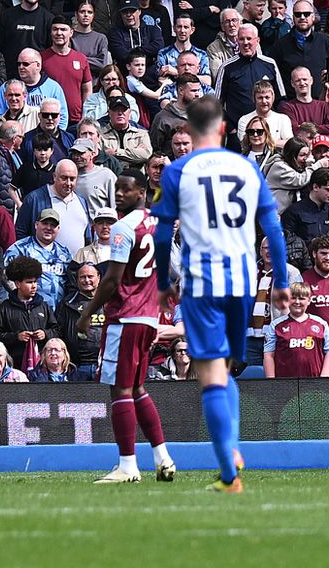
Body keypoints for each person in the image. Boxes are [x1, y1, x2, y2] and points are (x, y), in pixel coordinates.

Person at [157, 93, 288, 493]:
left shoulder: (177, 171)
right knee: (227, 368)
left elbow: (164, 233)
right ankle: (231, 449)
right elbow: (273, 227)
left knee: (211, 374)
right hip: (244, 283)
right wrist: (280, 280)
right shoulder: (247, 167)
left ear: (186, 131)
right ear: (225, 129)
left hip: (201, 283)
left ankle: (230, 471)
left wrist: (164, 282)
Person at [91, 166, 178, 482]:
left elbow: (112, 280)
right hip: (148, 317)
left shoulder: (121, 228)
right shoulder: (159, 225)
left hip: (125, 317)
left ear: (142, 192)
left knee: (121, 390)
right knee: (138, 388)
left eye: (126, 189)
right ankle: (163, 458)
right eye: (117, 188)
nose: (119, 194)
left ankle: (127, 466)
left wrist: (88, 313)